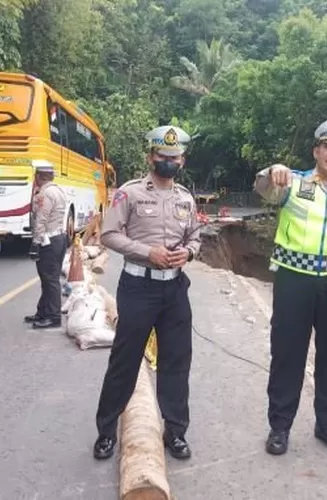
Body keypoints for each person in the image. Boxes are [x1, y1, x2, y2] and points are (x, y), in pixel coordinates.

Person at [253, 117, 327, 456]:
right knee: (287, 352)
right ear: (316, 150)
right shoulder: (292, 182)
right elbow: (263, 188)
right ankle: (279, 426)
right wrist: (272, 169)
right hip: (295, 279)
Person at [93, 125, 201, 461]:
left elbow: (195, 236)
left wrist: (190, 253)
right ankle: (107, 431)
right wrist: (146, 251)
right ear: (150, 156)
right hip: (138, 287)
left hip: (175, 289)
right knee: (125, 361)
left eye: (175, 157)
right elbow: (109, 235)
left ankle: (176, 431)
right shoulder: (129, 193)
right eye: (162, 156)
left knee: (176, 361)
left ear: (182, 160)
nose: (168, 161)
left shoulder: (185, 197)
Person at [24, 163, 68, 329]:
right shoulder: (58, 191)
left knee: (50, 280)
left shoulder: (46, 193)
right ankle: (42, 312)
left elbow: (42, 219)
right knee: (48, 278)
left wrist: (35, 243)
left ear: (39, 177)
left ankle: (53, 316)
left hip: (48, 240)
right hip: (58, 238)